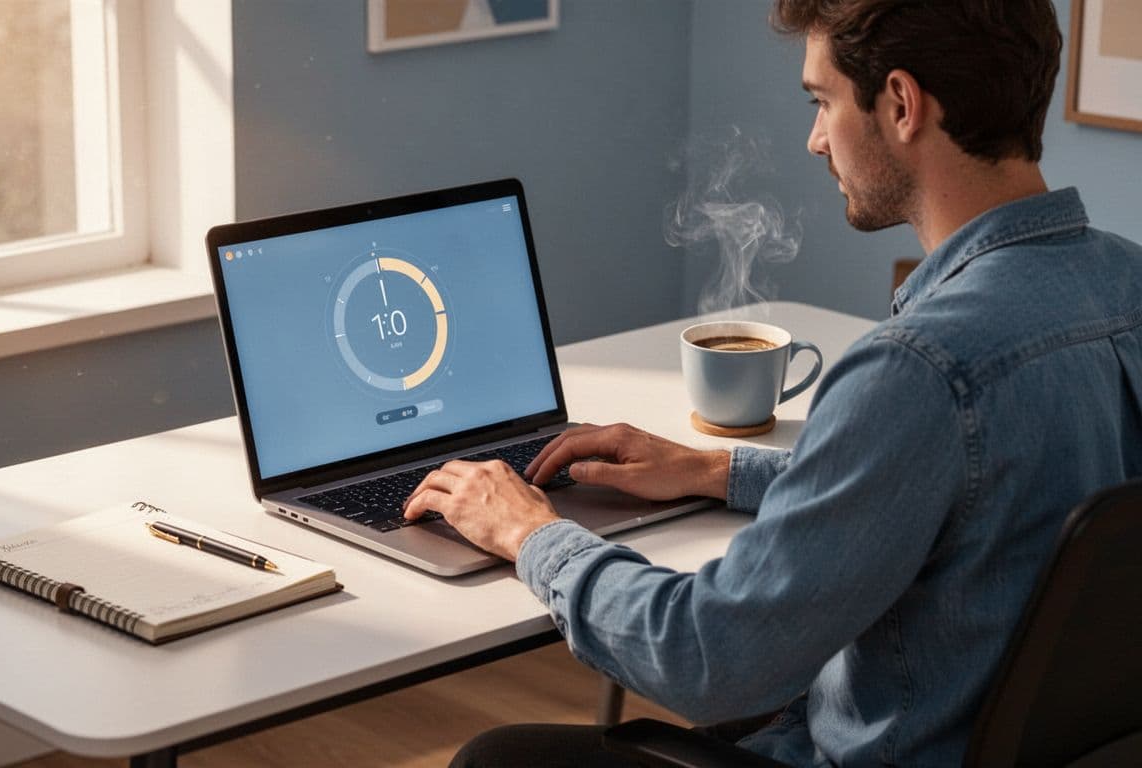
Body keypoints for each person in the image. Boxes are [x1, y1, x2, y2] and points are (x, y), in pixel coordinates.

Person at [402, 0, 1142, 765]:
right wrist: (715, 470)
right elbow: (971, 491)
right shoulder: (1129, 282)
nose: (816, 138)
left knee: (498, 759)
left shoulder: (921, 368)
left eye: (822, 102)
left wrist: (530, 532)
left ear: (900, 104)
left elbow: (706, 659)